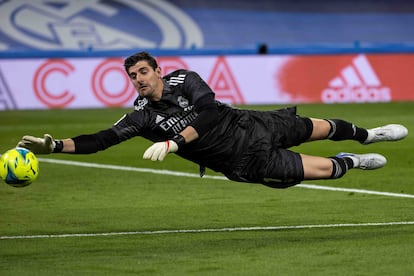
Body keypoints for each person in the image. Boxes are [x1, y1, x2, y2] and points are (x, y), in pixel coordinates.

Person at [17, 51, 408, 188]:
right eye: (131, 76)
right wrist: (54, 146)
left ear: (157, 70)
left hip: (250, 124)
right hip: (242, 160)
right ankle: (351, 161)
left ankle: (368, 136)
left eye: (142, 72)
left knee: (318, 126)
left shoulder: (185, 79)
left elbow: (206, 110)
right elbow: (99, 139)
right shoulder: (140, 117)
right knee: (324, 170)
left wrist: (174, 142)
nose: (137, 80)